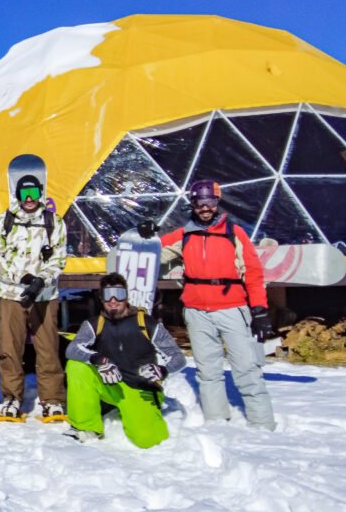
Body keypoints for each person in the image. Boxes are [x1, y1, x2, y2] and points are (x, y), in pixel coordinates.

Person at [140, 179, 275, 430]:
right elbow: (155, 251)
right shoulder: (185, 235)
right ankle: (216, 422)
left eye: (210, 202)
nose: (205, 207)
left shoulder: (234, 233)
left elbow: (253, 273)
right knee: (208, 370)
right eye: (200, 202)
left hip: (232, 308)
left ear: (217, 203)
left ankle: (262, 424)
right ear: (192, 204)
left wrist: (259, 310)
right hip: (196, 311)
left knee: (246, 368)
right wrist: (146, 235)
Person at [64, 273, 187, 447]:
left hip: (139, 387)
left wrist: (162, 370)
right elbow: (72, 349)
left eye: (119, 294)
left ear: (127, 296)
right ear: (101, 298)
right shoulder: (94, 324)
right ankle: (86, 427)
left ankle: (138, 412)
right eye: (108, 295)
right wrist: (99, 359)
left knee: (148, 440)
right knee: (76, 366)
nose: (113, 300)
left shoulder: (146, 323)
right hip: (110, 384)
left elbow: (178, 357)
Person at [0, 173, 67, 421]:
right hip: (12, 294)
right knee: (10, 347)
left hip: (44, 295)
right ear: (17, 195)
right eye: (24, 193)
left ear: (41, 193)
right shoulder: (5, 221)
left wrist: (42, 280)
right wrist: (20, 278)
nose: (29, 198)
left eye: (33, 193)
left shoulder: (54, 221)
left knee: (48, 348)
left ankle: (52, 399)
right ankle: (11, 397)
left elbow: (59, 258)